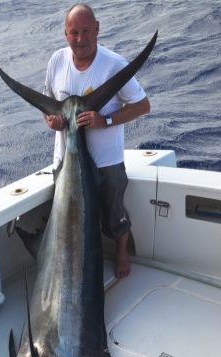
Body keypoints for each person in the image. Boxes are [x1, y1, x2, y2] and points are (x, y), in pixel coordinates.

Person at [43, 3, 150, 279]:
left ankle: (122, 250)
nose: (81, 39)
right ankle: (75, 265)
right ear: (66, 34)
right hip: (66, 162)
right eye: (74, 32)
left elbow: (142, 105)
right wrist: (53, 120)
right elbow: (50, 106)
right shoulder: (56, 61)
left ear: (97, 29)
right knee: (68, 221)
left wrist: (106, 121)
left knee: (115, 213)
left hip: (106, 162)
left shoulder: (114, 64)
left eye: (86, 31)